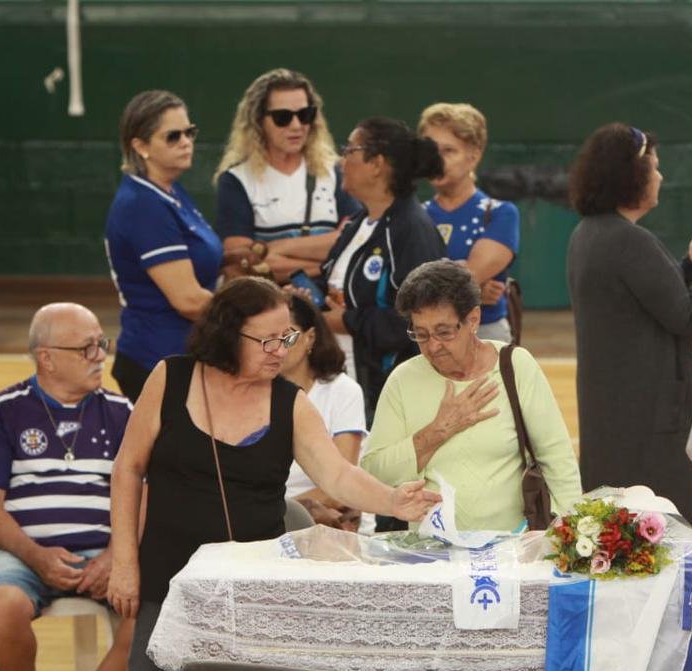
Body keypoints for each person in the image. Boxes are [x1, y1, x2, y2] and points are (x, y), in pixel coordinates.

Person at [106, 277, 439, 671]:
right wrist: (124, 563)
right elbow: (127, 470)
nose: (278, 351)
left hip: (254, 593)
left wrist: (392, 499)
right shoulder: (171, 378)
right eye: (265, 340)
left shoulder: (291, 404)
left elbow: (338, 476)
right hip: (169, 578)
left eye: (285, 339)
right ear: (226, 334)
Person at [361, 259, 581, 671]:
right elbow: (374, 469)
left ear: (474, 319)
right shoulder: (405, 380)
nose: (433, 346)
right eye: (420, 334)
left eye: (444, 331)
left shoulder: (514, 366)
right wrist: (440, 429)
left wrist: (566, 543)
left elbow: (558, 461)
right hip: (436, 561)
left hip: (513, 559)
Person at [0, 303, 136, 671]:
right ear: (47, 357)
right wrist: (35, 556)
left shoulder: (123, 412)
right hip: (22, 552)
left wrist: (117, 556)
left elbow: (146, 496)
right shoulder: (5, 410)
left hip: (105, 550)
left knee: (156, 601)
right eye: (87, 347)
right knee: (1, 604)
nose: (100, 355)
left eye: (103, 343)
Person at [565, 122, 692, 527]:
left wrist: (689, 265)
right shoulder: (630, 241)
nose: (660, 175)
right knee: (668, 539)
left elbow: (645, 303)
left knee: (615, 540)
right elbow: (686, 317)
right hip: (649, 425)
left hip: (613, 418)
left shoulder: (588, 234)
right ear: (632, 176)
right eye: (655, 166)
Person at [318, 117, 446, 414]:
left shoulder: (412, 229)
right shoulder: (358, 224)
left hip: (387, 395)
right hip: (346, 381)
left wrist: (347, 320)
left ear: (377, 164)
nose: (341, 161)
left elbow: (420, 320)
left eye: (349, 150)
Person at [105, 90, 221, 402]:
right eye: (172, 136)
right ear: (140, 146)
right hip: (157, 360)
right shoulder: (144, 205)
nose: (186, 142)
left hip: (183, 355)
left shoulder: (170, 191)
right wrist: (254, 318)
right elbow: (188, 300)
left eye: (189, 132)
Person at [213, 68, 360, 284]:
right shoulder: (237, 181)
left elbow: (355, 242)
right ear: (258, 120)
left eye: (305, 115)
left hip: (329, 307)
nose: (297, 126)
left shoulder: (335, 172)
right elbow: (244, 264)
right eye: (283, 117)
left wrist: (274, 249)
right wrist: (326, 262)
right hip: (271, 308)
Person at [418, 102, 517, 342]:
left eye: (448, 151)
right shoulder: (416, 216)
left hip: (483, 337)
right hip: (425, 339)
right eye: (431, 149)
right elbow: (402, 287)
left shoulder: (500, 213)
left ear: (473, 156)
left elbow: (463, 279)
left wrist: (455, 283)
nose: (437, 159)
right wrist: (474, 293)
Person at [281, 294, 367, 530]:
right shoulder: (253, 393)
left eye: (286, 336)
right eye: (267, 337)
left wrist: (274, 511)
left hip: (326, 522)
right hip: (273, 519)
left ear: (310, 338)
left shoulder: (342, 391)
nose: (277, 346)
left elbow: (340, 488)